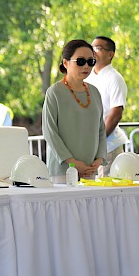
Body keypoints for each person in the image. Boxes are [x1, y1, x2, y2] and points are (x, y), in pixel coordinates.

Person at [42, 39, 106, 182]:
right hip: (62, 171)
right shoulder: (54, 92)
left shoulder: (95, 92)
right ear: (65, 63)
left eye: (91, 61)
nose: (86, 66)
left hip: (90, 169)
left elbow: (101, 129)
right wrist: (72, 162)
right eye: (80, 61)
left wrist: (99, 159)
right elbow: (50, 132)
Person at [85, 36, 129, 177]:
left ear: (110, 54)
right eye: (91, 48)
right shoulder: (88, 76)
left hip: (108, 147)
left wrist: (99, 141)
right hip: (89, 147)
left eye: (98, 48)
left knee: (106, 191)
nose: (93, 52)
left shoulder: (114, 78)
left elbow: (116, 114)